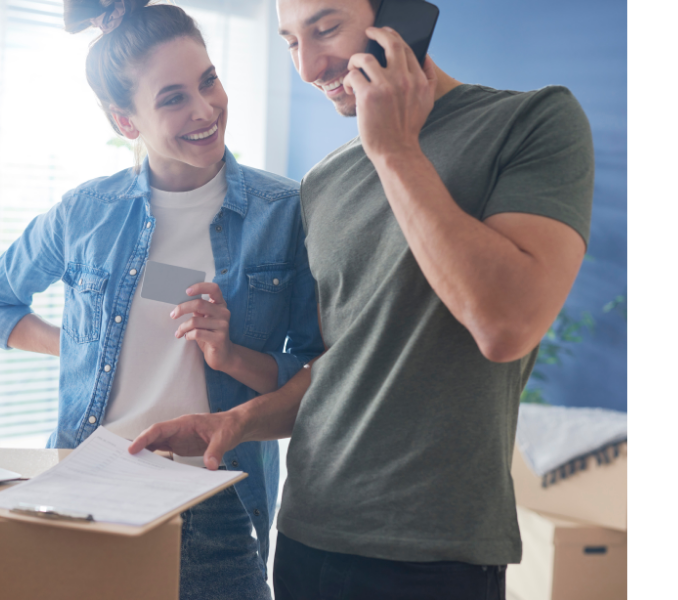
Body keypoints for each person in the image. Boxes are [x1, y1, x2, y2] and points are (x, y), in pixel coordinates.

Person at [128, 0, 595, 598]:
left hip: (432, 553)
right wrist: (236, 422)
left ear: (399, 18)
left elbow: (506, 323)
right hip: (305, 536)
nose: (309, 66)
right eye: (291, 42)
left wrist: (396, 150)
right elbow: (344, 365)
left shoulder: (530, 122)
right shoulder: (324, 182)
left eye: (326, 29)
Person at [0, 1, 323, 598]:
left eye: (209, 81)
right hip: (85, 489)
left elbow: (314, 372)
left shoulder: (285, 212)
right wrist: (80, 344)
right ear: (125, 122)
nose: (206, 109)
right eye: (173, 97)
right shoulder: (86, 213)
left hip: (215, 504)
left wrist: (229, 354)